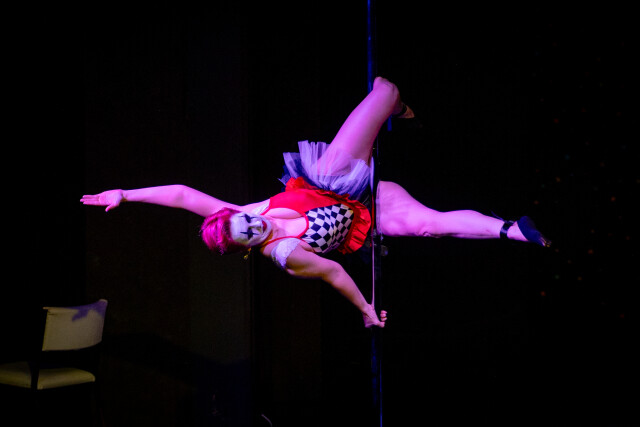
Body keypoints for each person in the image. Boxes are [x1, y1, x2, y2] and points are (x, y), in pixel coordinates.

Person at [81, 77, 550, 329]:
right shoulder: (287, 255)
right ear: (246, 249)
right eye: (251, 234)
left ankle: (393, 105)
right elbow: (335, 275)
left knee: (385, 90)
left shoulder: (242, 213)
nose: (257, 225)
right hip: (366, 214)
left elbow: (183, 195)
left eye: (248, 221)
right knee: (426, 226)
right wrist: (367, 309)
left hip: (334, 180)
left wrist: (126, 194)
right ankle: (512, 230)